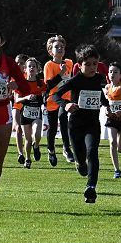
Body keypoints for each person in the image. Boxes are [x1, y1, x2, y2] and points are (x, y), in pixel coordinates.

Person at [52, 45, 110, 203]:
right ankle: (79, 163)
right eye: (88, 64)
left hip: (92, 124)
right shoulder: (75, 80)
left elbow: (99, 96)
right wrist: (66, 104)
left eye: (95, 64)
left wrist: (107, 106)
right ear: (80, 65)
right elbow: (55, 95)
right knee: (81, 159)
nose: (92, 67)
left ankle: (91, 187)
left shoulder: (99, 79)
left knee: (92, 152)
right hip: (76, 125)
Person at [0, 25, 27, 190]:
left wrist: (16, 84)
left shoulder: (8, 62)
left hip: (3, 111)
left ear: (2, 42)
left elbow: (25, 86)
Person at [44, 35, 75, 166]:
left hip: (65, 99)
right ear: (51, 51)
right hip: (52, 100)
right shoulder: (49, 65)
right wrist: (61, 73)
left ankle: (66, 148)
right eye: (57, 47)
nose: (60, 49)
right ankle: (51, 150)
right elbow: (49, 85)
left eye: (62, 47)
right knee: (51, 129)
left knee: (63, 118)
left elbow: (71, 80)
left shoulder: (69, 63)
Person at [12, 57, 46, 169]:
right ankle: (27, 158)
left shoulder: (41, 83)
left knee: (36, 134)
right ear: (25, 69)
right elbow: (16, 100)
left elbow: (47, 93)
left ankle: (36, 146)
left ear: (37, 69)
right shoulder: (21, 83)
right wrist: (26, 97)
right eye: (29, 66)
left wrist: (44, 99)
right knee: (28, 139)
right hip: (25, 114)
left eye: (34, 66)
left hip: (37, 113)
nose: (31, 68)